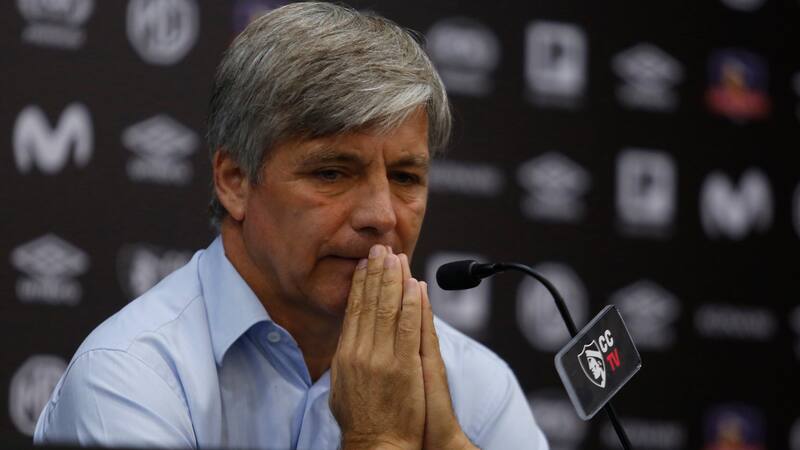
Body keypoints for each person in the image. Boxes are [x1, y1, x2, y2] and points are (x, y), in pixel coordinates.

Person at [33, 3, 548, 449]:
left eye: (405, 177)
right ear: (234, 180)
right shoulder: (127, 377)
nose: (382, 215)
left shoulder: (477, 384)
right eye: (332, 173)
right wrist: (379, 438)